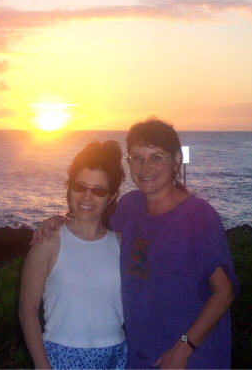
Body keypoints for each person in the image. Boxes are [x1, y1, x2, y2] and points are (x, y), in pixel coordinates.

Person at [35, 118, 239, 369]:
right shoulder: (129, 207)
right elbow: (92, 224)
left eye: (156, 157)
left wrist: (184, 347)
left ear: (176, 163)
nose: (145, 167)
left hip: (192, 359)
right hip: (139, 357)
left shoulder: (199, 216)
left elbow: (224, 291)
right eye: (137, 157)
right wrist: (59, 219)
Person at [18, 141, 127, 369]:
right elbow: (26, 310)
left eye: (98, 191)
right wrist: (42, 365)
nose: (87, 197)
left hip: (115, 357)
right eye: (80, 187)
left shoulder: (121, 244)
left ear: (112, 196)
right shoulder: (48, 241)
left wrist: (185, 342)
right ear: (69, 187)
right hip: (59, 356)